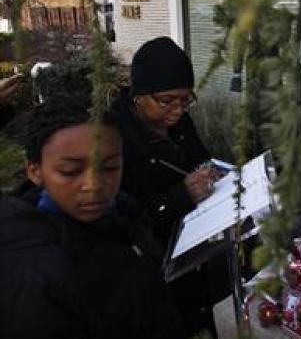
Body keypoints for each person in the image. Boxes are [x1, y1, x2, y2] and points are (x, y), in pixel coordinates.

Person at [0, 96, 185, 339]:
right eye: (70, 171)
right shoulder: (32, 280)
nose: (94, 185)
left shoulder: (124, 213)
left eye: (109, 167)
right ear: (35, 171)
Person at [110, 36, 220, 337]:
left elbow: (200, 157)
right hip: (150, 271)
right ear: (138, 95)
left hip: (194, 255)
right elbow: (118, 221)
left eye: (186, 99)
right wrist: (181, 195)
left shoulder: (179, 122)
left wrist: (210, 172)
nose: (178, 110)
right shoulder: (111, 138)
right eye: (167, 100)